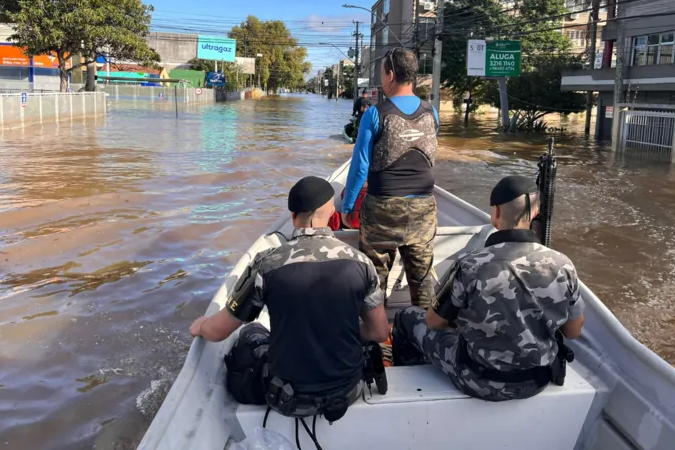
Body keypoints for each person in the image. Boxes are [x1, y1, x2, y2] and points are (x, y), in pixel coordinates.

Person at [189, 176, 390, 421]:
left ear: (293, 216)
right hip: (348, 391)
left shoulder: (267, 264)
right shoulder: (361, 263)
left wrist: (201, 325)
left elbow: (218, 332)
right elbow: (379, 332)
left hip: (288, 399)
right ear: (331, 212)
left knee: (252, 332)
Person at [389, 175, 586, 402]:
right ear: (534, 213)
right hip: (536, 380)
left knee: (407, 318)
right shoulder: (563, 264)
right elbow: (573, 331)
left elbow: (434, 322)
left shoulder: (471, 263)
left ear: (496, 213)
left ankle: (408, 387)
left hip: (477, 380)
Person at [341, 47, 440, 309]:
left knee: (374, 283)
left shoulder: (375, 114)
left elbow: (360, 166)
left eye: (382, 73)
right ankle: (424, 340)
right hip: (424, 209)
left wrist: (348, 208)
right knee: (423, 283)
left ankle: (378, 341)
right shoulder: (432, 112)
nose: (381, 79)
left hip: (382, 209)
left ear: (391, 75)